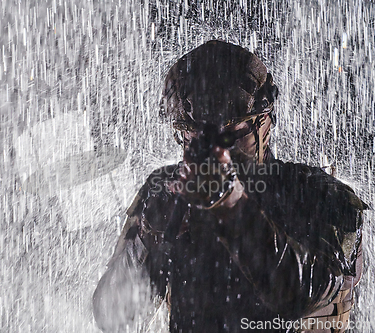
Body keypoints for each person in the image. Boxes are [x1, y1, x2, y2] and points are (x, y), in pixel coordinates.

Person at [93, 40, 366, 333]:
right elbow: (113, 316)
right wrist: (151, 238)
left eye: (228, 133)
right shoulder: (168, 191)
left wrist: (229, 204)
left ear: (265, 122)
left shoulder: (320, 195)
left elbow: (302, 295)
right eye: (192, 133)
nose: (211, 147)